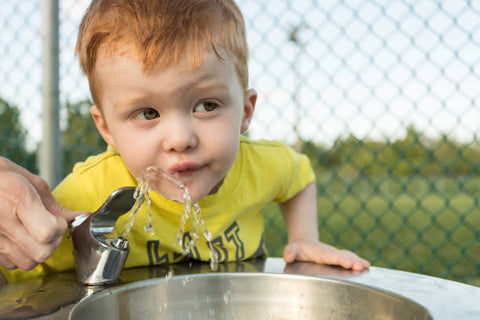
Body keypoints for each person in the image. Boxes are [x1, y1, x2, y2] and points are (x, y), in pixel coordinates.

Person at [0, 0, 369, 284]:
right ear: (107, 128)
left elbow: (298, 176)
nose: (180, 139)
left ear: (245, 110)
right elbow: (20, 267)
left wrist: (303, 236)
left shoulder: (261, 165)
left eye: (207, 106)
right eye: (147, 113)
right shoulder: (86, 197)